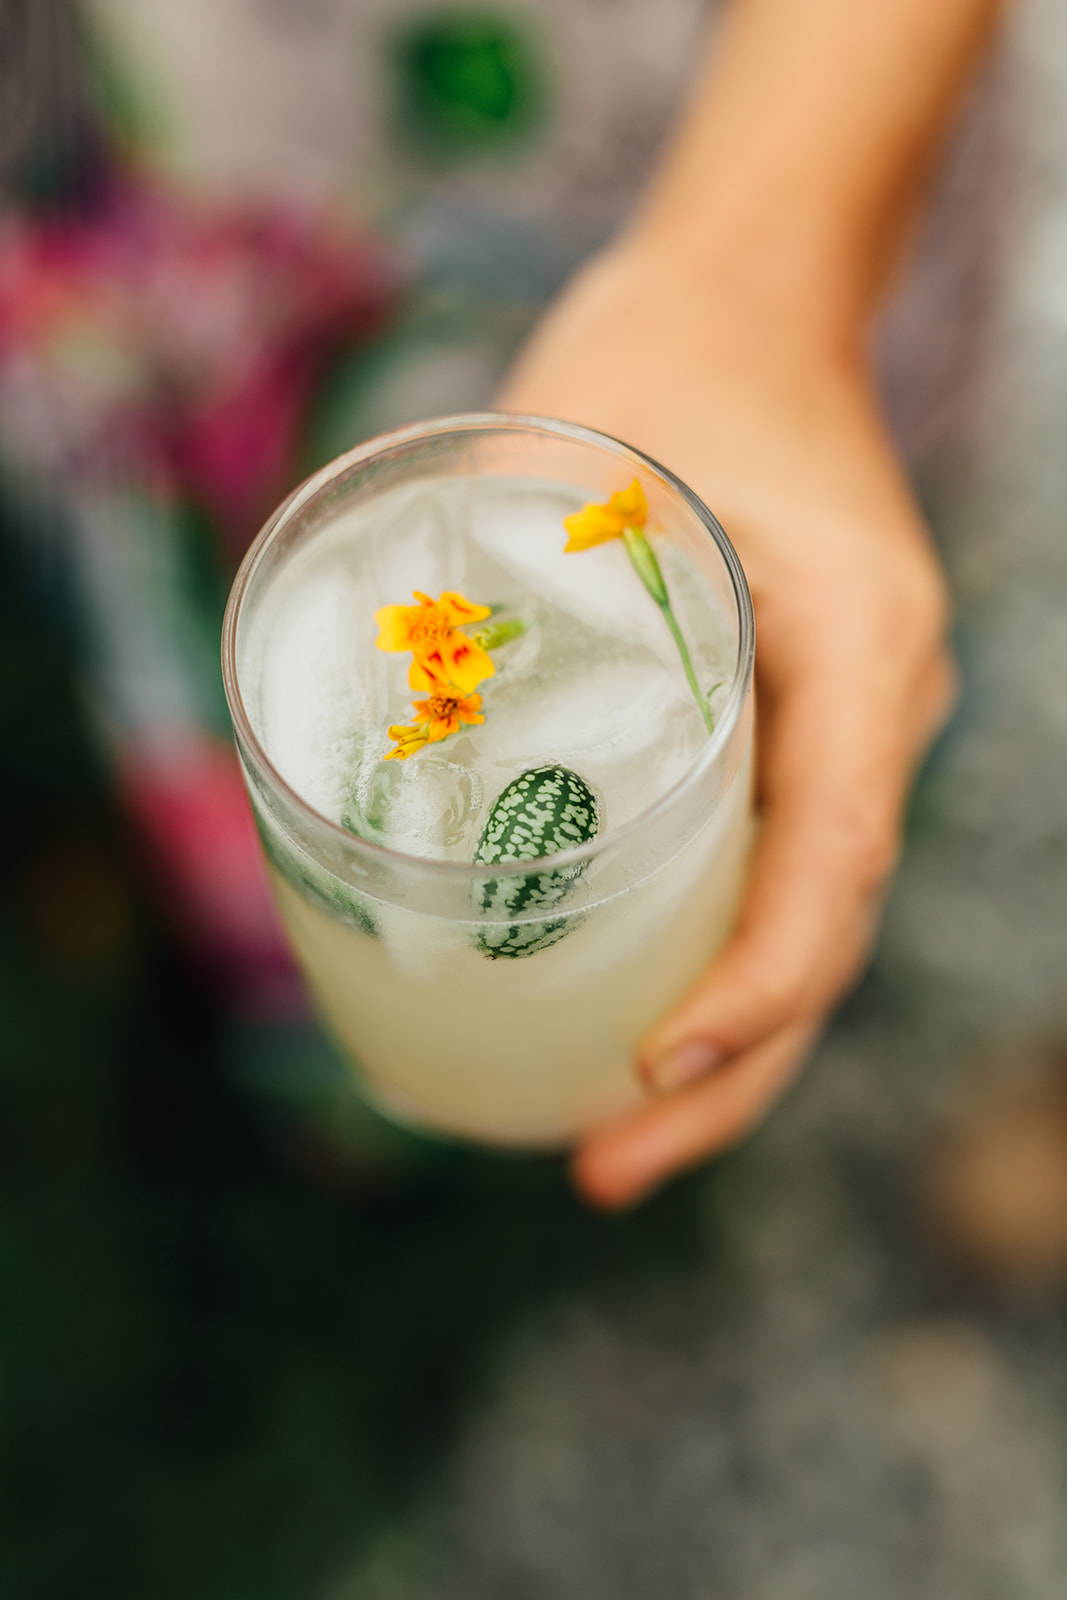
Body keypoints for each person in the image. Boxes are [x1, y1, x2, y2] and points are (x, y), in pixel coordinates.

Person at [501, 0, 1005, 1208]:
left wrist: (751, 280)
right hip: (214, 165)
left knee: (830, 665)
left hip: (763, 128)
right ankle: (348, 1055)